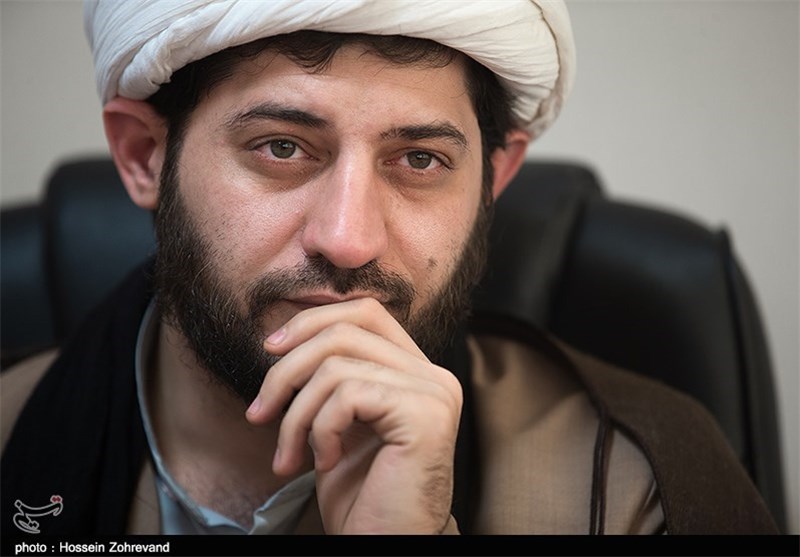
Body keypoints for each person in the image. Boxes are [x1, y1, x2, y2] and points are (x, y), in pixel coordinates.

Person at [1, 0, 779, 537]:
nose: (348, 240)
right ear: (145, 155)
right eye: (282, 147)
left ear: (492, 181)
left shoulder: (640, 485)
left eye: (419, 159)